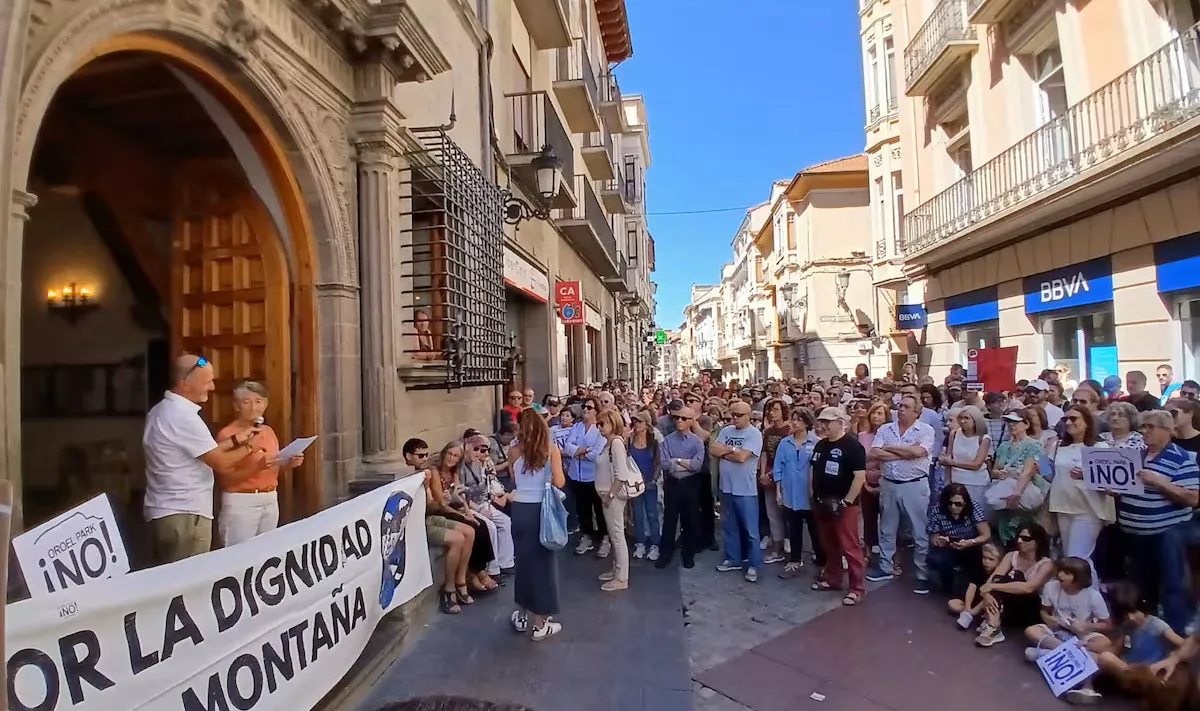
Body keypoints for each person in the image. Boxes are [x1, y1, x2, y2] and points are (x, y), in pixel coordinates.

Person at [143, 354, 266, 563]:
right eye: (207, 381)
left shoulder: (161, 410)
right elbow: (221, 463)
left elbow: (202, 451)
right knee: (185, 584)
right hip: (185, 514)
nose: (212, 387)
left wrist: (236, 440)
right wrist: (251, 446)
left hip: (167, 511)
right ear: (184, 383)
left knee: (169, 581)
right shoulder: (183, 417)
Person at [1116, 409, 1199, 633]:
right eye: (1143, 427)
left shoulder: (1182, 458)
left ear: (1167, 430)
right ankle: (1144, 634)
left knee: (1172, 586)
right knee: (1140, 586)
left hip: (1165, 535)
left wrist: (1160, 482)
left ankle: (1176, 635)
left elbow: (1192, 497)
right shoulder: (1136, 456)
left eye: (1150, 427)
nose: (1144, 431)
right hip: (1134, 534)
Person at [214, 381, 304, 546]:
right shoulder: (228, 435)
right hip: (243, 500)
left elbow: (271, 466)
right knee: (238, 555)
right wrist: (256, 466)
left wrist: (287, 463)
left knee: (266, 551)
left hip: (269, 497)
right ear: (237, 406)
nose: (253, 407)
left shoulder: (268, 431)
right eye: (247, 402)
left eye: (258, 402)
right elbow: (225, 480)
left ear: (265, 404)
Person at [507, 409, 567, 641]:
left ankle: (521, 615)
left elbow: (514, 480)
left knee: (523, 563)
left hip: (519, 509)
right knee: (543, 566)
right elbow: (560, 481)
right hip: (540, 510)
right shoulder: (550, 450)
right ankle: (540, 623)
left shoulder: (513, 450)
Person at [867, 393, 936, 594]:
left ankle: (922, 574)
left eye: (906, 406)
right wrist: (904, 451)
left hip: (914, 485)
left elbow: (919, 453)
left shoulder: (925, 430)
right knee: (887, 528)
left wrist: (890, 449)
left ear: (917, 412)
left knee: (919, 530)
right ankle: (885, 566)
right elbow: (875, 452)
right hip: (889, 484)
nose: (901, 410)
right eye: (899, 406)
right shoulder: (885, 428)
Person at [1024, 557, 1113, 705]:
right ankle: (1068, 657)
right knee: (1031, 631)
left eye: (1066, 573)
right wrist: (1048, 619)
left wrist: (1087, 626)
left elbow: (1108, 625)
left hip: (1082, 636)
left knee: (1104, 644)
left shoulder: (1093, 596)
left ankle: (1047, 655)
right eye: (1060, 571)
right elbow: (1044, 611)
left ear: (1078, 577)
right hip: (1058, 632)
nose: (1060, 575)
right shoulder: (1051, 587)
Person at [405, 438, 474, 615]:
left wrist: (441, 497)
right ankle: (448, 588)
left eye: (427, 455)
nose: (425, 458)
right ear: (408, 456)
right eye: (420, 455)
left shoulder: (424, 473)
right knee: (458, 539)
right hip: (416, 526)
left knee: (470, 531)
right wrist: (440, 500)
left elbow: (431, 505)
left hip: (428, 518)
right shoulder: (407, 478)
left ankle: (460, 581)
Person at [809, 407, 867, 606]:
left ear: (840, 422)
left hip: (843, 505)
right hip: (822, 502)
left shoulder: (853, 446)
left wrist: (847, 501)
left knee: (850, 546)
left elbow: (859, 477)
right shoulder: (820, 445)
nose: (823, 426)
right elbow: (814, 470)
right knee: (829, 544)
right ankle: (833, 578)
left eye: (827, 422)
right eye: (821, 422)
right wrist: (813, 495)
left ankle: (857, 588)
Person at [1048, 406, 1112, 587]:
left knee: (1078, 557)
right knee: (1070, 556)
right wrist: (1040, 462)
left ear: (1087, 422)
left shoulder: (1100, 447)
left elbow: (1109, 482)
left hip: (1088, 509)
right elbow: (1049, 474)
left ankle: (1093, 599)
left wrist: (1087, 474)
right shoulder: (1057, 445)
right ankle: (1081, 598)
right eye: (1066, 419)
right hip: (1062, 506)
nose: (1068, 423)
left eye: (1074, 419)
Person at [974, 523, 1056, 648]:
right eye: (1019, 537)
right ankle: (993, 626)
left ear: (1037, 542)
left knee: (1015, 575)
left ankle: (991, 625)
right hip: (1009, 604)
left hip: (1030, 607)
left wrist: (992, 588)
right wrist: (986, 594)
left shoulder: (1046, 564)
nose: (1020, 541)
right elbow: (993, 579)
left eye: (1026, 539)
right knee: (999, 579)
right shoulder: (1011, 555)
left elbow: (1029, 588)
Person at [711, 401, 765, 582]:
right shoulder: (726, 431)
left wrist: (726, 451)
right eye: (732, 415)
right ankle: (732, 558)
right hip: (726, 487)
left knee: (750, 530)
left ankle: (753, 564)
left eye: (738, 415)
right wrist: (733, 451)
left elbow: (742, 457)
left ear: (748, 415)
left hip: (746, 490)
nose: (734, 418)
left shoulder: (754, 434)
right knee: (729, 526)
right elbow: (713, 449)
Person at [773, 406, 822, 579]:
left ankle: (822, 561)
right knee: (793, 529)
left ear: (806, 422)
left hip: (809, 495)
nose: (794, 422)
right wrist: (779, 491)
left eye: (798, 419)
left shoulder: (816, 442)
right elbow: (778, 467)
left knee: (816, 531)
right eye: (793, 419)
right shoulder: (784, 443)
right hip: (790, 493)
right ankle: (794, 560)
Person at [657, 404, 706, 570]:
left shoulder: (697, 442)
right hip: (672, 484)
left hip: (690, 484)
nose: (679, 420)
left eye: (684, 418)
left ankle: (688, 554)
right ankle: (665, 554)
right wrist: (685, 463)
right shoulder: (668, 440)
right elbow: (664, 463)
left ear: (692, 421)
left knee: (690, 520)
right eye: (677, 417)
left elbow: (697, 465)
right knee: (669, 521)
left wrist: (676, 461)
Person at [926, 483, 991, 596]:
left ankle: (976, 586)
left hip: (972, 543)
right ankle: (947, 585)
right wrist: (940, 541)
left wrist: (970, 542)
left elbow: (985, 534)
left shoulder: (974, 507)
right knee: (936, 558)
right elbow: (933, 537)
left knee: (978, 558)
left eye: (958, 504)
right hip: (949, 543)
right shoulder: (937, 510)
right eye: (950, 503)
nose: (953, 507)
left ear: (965, 503)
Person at [594, 408, 633, 592]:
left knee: (617, 535)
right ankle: (617, 569)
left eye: (603, 424)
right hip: (606, 495)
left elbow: (621, 474)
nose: (600, 427)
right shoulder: (608, 443)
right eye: (598, 424)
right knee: (613, 533)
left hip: (612, 496)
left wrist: (610, 495)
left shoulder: (616, 443)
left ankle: (622, 577)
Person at [566, 397, 609, 558]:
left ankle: (605, 538)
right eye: (584, 406)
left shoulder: (600, 429)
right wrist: (584, 450)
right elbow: (568, 448)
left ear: (596, 410)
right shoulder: (576, 427)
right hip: (576, 475)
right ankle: (587, 536)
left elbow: (595, 454)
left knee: (599, 509)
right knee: (582, 509)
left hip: (594, 476)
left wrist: (579, 451)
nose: (585, 409)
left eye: (589, 407)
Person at [758, 398, 791, 565]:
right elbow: (764, 453)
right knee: (772, 515)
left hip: (785, 477)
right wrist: (763, 473)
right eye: (770, 410)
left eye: (776, 409)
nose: (772, 413)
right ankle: (777, 548)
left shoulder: (789, 430)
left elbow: (787, 458)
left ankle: (791, 550)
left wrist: (771, 474)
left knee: (788, 515)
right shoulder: (768, 432)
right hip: (769, 476)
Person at [939, 405, 991, 506]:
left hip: (977, 483)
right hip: (956, 481)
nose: (962, 421)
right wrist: (947, 482)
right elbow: (948, 459)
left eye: (966, 418)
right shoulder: (954, 434)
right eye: (961, 418)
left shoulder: (983, 439)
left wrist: (954, 462)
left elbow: (976, 465)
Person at [627, 411, 662, 562]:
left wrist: (653, 479)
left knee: (652, 514)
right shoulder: (629, 440)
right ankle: (640, 543)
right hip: (634, 484)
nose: (636, 424)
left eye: (639, 421)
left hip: (649, 483)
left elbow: (658, 463)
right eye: (634, 421)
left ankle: (655, 544)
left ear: (647, 424)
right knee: (638, 515)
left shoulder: (653, 442)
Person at [949, 540, 1002, 630]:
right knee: (952, 604)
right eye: (984, 558)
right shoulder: (979, 569)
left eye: (991, 559)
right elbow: (972, 587)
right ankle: (970, 613)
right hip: (976, 598)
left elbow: (988, 596)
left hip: (988, 601)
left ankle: (973, 615)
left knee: (990, 603)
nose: (986, 562)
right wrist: (967, 607)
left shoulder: (999, 575)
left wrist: (972, 612)